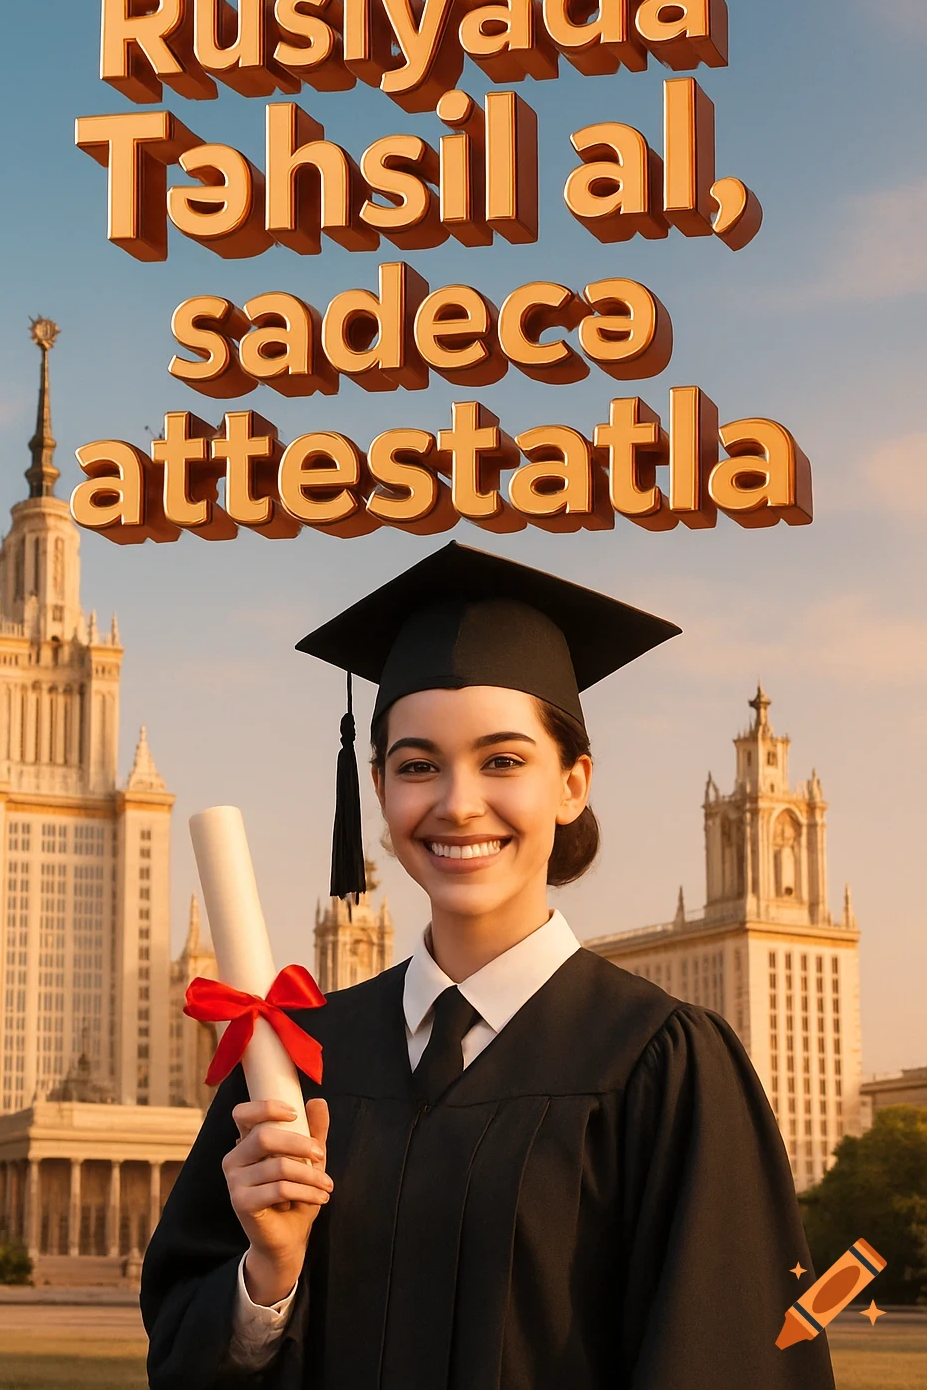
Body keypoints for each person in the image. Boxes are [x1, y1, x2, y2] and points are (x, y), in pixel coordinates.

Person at [141, 542, 835, 1390]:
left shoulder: (663, 1066)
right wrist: (268, 1280)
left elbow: (730, 1359)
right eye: (417, 766)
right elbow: (182, 1357)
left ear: (573, 783)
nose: (458, 802)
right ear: (380, 792)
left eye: (503, 761)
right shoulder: (292, 1056)